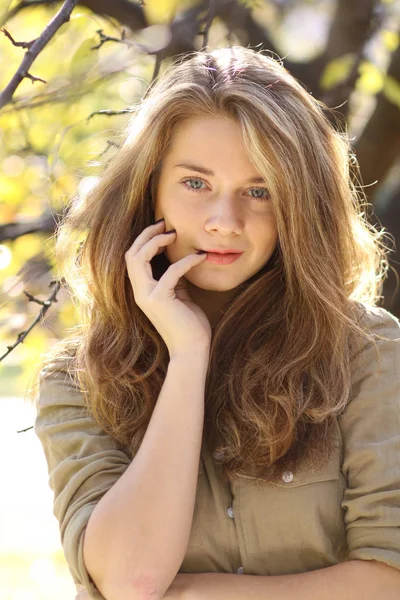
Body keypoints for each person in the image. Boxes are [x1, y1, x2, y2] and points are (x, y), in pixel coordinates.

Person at [30, 45, 400, 600]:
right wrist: (188, 357)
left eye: (260, 191)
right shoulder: (78, 381)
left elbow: (389, 577)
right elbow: (131, 579)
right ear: (148, 190)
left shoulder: (369, 353)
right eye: (195, 184)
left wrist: (197, 596)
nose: (225, 222)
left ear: (299, 206)